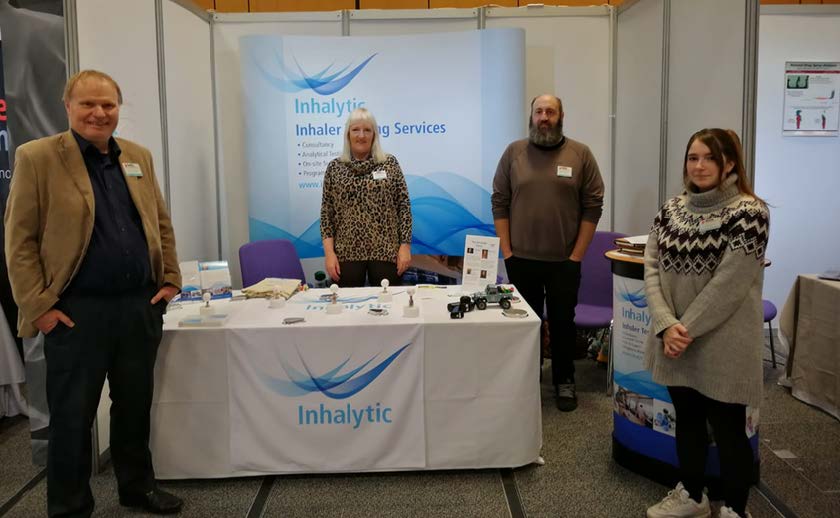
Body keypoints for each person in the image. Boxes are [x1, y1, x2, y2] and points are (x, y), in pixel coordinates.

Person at [4, 70, 183, 517]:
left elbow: (159, 222)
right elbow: (19, 241)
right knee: (72, 417)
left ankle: (137, 488)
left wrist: (170, 280)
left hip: (138, 307)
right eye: (88, 104)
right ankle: (69, 506)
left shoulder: (136, 156)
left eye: (108, 104)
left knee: (134, 407)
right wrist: (40, 307)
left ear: (118, 108)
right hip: (75, 311)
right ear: (68, 107)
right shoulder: (38, 157)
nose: (99, 113)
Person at [644, 128, 769, 518]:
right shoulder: (672, 209)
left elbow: (729, 285)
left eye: (709, 158)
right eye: (692, 157)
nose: (698, 166)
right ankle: (693, 496)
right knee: (689, 422)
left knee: (730, 431)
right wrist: (666, 324)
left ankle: (734, 508)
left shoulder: (750, 213)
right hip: (674, 338)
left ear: (729, 163)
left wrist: (684, 330)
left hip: (722, 342)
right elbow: (650, 267)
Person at [491, 94, 604, 411]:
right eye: (539, 111)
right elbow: (499, 201)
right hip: (521, 260)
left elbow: (592, 208)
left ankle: (564, 381)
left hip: (564, 262)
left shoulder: (581, 154)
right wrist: (507, 252)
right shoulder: (514, 153)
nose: (544, 117)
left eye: (550, 111)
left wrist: (577, 256)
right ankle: (526, 380)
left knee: (563, 322)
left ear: (561, 116)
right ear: (531, 116)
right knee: (524, 323)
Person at [320, 108, 412, 288]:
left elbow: (404, 208)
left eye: (367, 130)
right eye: (356, 130)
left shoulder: (390, 163)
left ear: (374, 135)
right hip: (346, 253)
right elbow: (326, 215)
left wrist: (405, 246)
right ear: (348, 134)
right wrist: (329, 254)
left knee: (389, 308)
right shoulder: (334, 168)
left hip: (386, 252)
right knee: (348, 310)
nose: (361, 135)